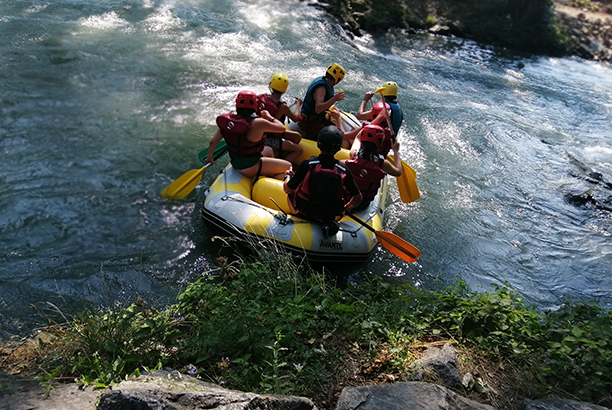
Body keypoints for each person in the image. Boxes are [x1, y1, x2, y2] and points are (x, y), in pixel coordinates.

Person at [283, 125, 362, 236]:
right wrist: (345, 207)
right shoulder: (344, 170)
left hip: (305, 211)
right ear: (339, 148)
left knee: (291, 192)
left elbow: (287, 189)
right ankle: (329, 224)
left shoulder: (306, 165)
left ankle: (295, 215)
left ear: (318, 144)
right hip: (328, 215)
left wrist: (287, 177)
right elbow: (358, 198)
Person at [206, 90, 291, 179]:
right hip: (251, 167)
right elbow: (282, 128)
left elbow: (212, 142)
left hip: (236, 162)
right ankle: (271, 183)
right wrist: (269, 117)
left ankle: (267, 174)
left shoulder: (228, 122)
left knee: (268, 150)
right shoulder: (258, 122)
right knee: (288, 166)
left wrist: (209, 158)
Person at [344, 124, 402, 211]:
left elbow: (357, 138)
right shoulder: (382, 163)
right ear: (380, 143)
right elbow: (398, 172)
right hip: (362, 205)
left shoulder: (354, 154)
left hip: (344, 200)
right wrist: (396, 151)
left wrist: (368, 126)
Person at [257, 73, 303, 163]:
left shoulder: (261, 98)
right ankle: (281, 164)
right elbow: (296, 118)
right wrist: (298, 105)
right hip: (269, 138)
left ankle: (278, 155)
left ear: (271, 85)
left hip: (260, 134)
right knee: (299, 150)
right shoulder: (282, 106)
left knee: (297, 136)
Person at [298, 63, 346, 140]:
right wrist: (335, 99)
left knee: (335, 128)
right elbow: (318, 109)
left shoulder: (324, 82)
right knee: (332, 135)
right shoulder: (322, 88)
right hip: (308, 123)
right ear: (337, 79)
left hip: (317, 119)